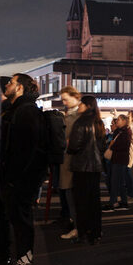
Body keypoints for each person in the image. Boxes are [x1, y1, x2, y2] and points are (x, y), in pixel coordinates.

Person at [0, 73, 48, 265]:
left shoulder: (26, 112)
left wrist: (13, 178)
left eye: (11, 82)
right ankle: (20, 264)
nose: (7, 85)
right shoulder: (17, 110)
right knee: (17, 221)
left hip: (20, 179)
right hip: (16, 178)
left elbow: (26, 151)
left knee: (22, 222)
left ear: (20, 88)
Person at [66, 96, 106, 244]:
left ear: (87, 105)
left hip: (82, 166)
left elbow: (74, 146)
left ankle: (83, 232)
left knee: (81, 201)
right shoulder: (98, 122)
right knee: (94, 201)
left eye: (81, 103)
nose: (79, 106)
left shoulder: (81, 122)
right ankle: (96, 232)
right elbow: (102, 146)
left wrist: (69, 145)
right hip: (95, 167)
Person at [57, 86, 82, 240]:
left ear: (75, 96)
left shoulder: (78, 115)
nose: (64, 102)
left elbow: (74, 139)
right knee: (70, 196)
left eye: (66, 99)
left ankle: (78, 228)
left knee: (72, 197)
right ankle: (77, 227)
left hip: (73, 162)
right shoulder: (71, 114)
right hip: (69, 161)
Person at [106, 115, 133, 211]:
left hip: (119, 159)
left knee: (115, 182)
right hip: (120, 159)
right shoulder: (123, 131)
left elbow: (123, 145)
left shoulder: (125, 132)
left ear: (123, 121)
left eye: (118, 120)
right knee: (120, 182)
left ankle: (113, 202)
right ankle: (124, 202)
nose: (116, 121)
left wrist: (112, 146)